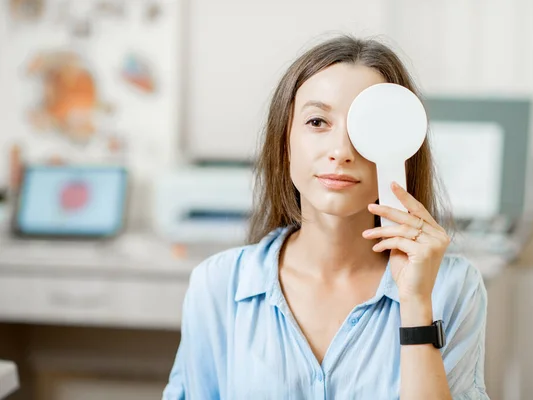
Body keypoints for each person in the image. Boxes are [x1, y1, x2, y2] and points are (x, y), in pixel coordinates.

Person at [163, 35, 490, 399]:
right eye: (318, 122)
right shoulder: (219, 284)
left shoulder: (453, 287)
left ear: (402, 148)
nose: (341, 151)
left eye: (366, 127)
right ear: (284, 142)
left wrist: (415, 304)